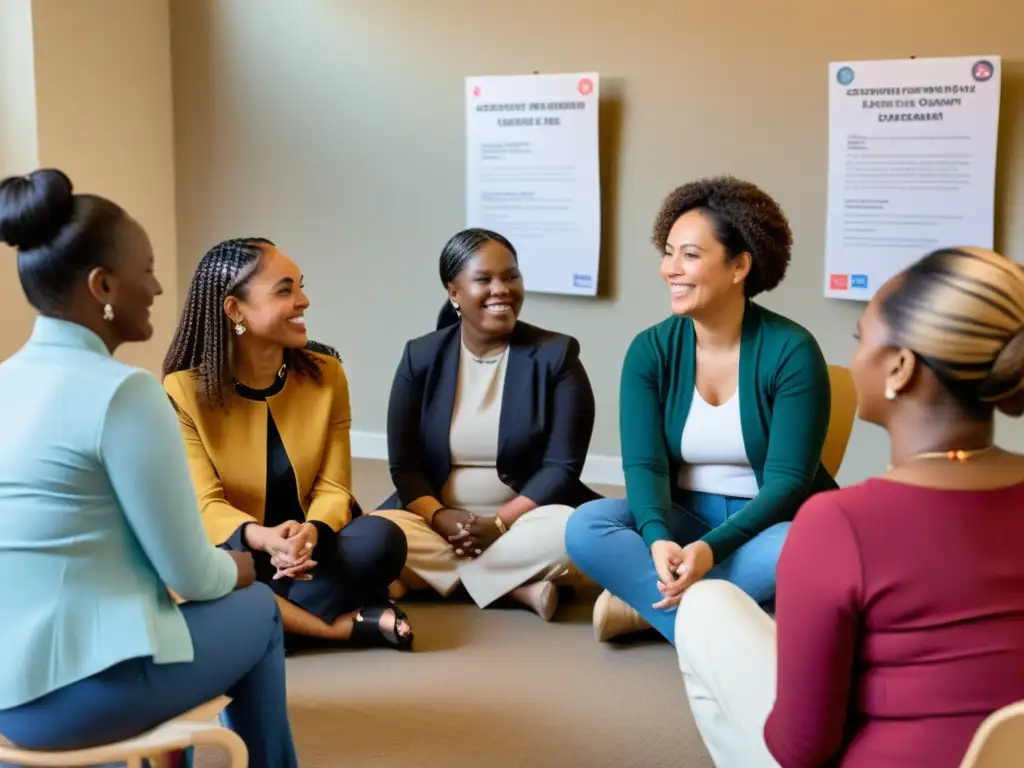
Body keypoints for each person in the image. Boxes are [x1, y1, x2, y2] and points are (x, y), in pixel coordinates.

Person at [676, 246, 1024, 767]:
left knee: (705, 606)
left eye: (862, 338)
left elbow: (802, 748)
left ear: (900, 367)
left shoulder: (840, 522)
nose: (854, 356)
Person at [0, 169, 298, 766]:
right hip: (75, 699)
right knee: (259, 609)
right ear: (102, 285)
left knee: (161, 616)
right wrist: (244, 565)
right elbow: (192, 575)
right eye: (147, 270)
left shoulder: (6, 381)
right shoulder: (125, 394)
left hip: (9, 691)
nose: (159, 288)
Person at [565, 176, 835, 643]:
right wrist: (655, 538)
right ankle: (717, 628)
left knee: (811, 548)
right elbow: (645, 465)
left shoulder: (792, 350)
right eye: (668, 252)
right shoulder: (649, 351)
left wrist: (710, 550)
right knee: (587, 525)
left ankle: (649, 608)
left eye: (690, 255)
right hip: (683, 515)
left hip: (768, 523)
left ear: (739, 267)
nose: (670, 268)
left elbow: (789, 483)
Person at [163, 237, 413, 651]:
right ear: (234, 309)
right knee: (204, 573)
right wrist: (265, 540)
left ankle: (266, 622)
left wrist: (309, 534)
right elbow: (205, 505)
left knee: (381, 539)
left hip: (314, 550)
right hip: (243, 549)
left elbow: (334, 488)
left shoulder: (326, 373)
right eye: (285, 290)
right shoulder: (183, 390)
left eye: (301, 286)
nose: (304, 301)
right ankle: (344, 624)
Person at [373, 228, 600, 620]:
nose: (502, 289)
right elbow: (404, 467)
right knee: (374, 534)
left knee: (575, 532)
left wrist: (499, 522)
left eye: (511, 276)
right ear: (454, 292)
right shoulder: (420, 357)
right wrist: (439, 516)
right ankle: (515, 588)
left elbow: (561, 469)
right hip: (436, 522)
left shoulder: (557, 356)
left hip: (527, 521)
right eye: (484, 279)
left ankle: (433, 578)